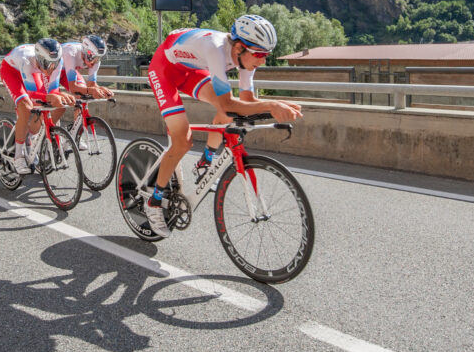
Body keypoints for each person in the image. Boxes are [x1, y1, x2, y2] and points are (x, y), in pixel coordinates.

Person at [143, 14, 302, 237]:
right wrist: (272, 105)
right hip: (164, 70)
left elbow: (246, 101)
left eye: (266, 54)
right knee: (183, 140)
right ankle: (154, 201)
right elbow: (229, 103)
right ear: (239, 48)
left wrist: (277, 104)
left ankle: (205, 161)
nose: (263, 61)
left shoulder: (246, 58)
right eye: (259, 54)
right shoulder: (216, 49)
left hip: (190, 68)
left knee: (227, 112)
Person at [0, 38, 74, 174]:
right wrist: (49, 96)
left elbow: (53, 91)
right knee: (25, 107)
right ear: (39, 58)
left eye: (54, 64)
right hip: (12, 71)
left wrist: (59, 95)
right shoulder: (27, 60)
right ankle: (18, 157)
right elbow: (31, 95)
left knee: (54, 105)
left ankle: (31, 135)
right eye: (47, 64)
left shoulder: (55, 62)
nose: (51, 69)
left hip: (34, 72)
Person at [52, 35, 114, 149]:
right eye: (92, 57)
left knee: (84, 96)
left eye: (98, 58)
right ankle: (48, 135)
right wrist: (91, 89)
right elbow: (73, 87)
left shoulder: (95, 60)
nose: (94, 62)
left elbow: (91, 85)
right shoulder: (71, 53)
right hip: (52, 71)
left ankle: (75, 134)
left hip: (67, 72)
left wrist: (102, 89)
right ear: (85, 52)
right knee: (58, 103)